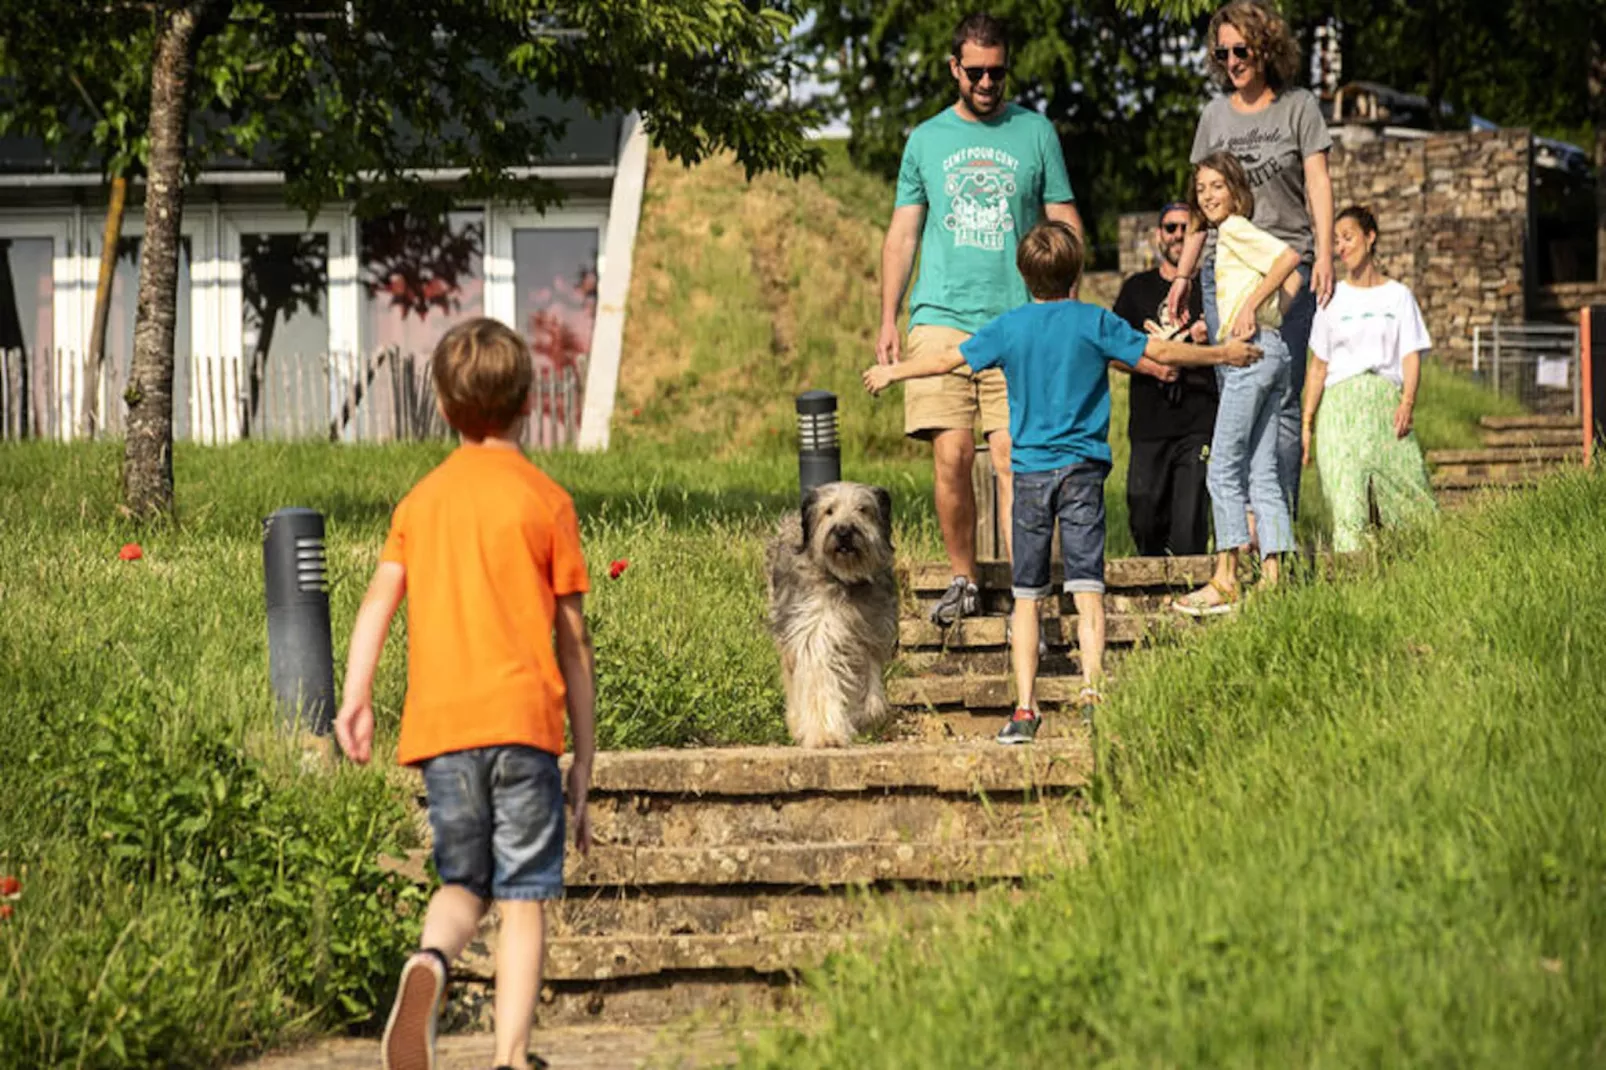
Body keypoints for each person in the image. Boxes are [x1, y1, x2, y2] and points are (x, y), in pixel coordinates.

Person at [864, 221, 1261, 743]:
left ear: (1023, 275)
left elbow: (947, 359)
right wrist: (1222, 354)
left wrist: (894, 373)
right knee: (1087, 589)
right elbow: (1160, 352)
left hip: (1030, 474)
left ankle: (1024, 709)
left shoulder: (1009, 326)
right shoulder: (1093, 321)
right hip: (1081, 472)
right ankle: (1092, 692)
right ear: (1076, 273)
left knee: (1027, 596)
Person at [333, 317, 595, 1070]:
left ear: (445, 408)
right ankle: (510, 1057)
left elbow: (378, 602)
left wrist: (357, 696)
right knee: (523, 897)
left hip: (444, 733)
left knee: (462, 884)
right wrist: (584, 756)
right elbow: (573, 642)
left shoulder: (421, 502)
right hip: (524, 729)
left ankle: (430, 960)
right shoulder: (546, 500)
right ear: (527, 403)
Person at [876, 11, 1083, 626]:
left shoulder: (1035, 132)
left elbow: (1064, 220)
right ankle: (963, 578)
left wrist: (1066, 303)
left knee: (1015, 458)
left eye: (997, 72)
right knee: (953, 453)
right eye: (976, 72)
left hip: (1018, 318)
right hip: (940, 315)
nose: (987, 83)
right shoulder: (925, 140)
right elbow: (903, 235)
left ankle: (1028, 593)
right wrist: (887, 317)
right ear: (954, 69)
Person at [1167, 0, 1334, 521]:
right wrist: (1182, 275)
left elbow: (1318, 182)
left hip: (1287, 265)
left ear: (1265, 47)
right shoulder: (1213, 116)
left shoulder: (1299, 106)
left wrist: (1325, 253)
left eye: (1241, 50)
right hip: (1225, 274)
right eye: (1223, 53)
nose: (1233, 61)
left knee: (1281, 395)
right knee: (1236, 392)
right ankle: (1242, 530)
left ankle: (1278, 525)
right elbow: (1200, 203)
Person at [1172, 154, 1302, 616]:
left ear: (1235, 190)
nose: (1208, 195)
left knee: (1222, 467)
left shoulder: (1234, 229)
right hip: (1272, 350)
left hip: (1249, 355)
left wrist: (1251, 306)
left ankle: (1226, 580)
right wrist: (1268, 316)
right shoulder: (1229, 234)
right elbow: (1295, 278)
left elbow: (1290, 259)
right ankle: (1273, 577)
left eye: (1217, 186)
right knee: (1262, 472)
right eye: (1201, 188)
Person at [1303, 205, 1438, 550]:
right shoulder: (1330, 298)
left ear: (1370, 237)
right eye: (1336, 241)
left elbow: (1410, 354)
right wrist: (1307, 423)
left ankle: (1417, 569)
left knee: (1409, 500)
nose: (1341, 247)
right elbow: (1318, 366)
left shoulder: (1398, 296)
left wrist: (1407, 401)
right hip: (1338, 410)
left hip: (1384, 404)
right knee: (1347, 502)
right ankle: (1352, 576)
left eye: (1347, 237)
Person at [1111, 202, 1216, 556]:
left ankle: (1191, 584)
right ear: (1159, 235)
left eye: (1187, 228)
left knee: (1189, 525)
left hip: (1199, 419)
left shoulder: (1210, 288)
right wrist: (1154, 367)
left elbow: (1236, 344)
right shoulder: (1136, 289)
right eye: (1171, 228)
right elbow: (1112, 349)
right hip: (1150, 425)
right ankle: (1153, 581)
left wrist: (1209, 336)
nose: (1178, 235)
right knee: (1143, 515)